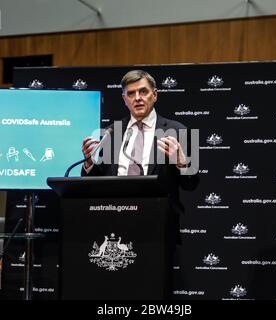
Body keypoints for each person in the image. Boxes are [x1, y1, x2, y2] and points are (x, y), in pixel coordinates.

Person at [81, 69, 199, 296]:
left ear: (155, 94)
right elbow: (92, 182)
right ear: (124, 99)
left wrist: (182, 163)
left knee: (153, 289)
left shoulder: (177, 130)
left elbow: (192, 184)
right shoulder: (110, 133)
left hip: (158, 225)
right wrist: (88, 164)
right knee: (115, 290)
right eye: (131, 93)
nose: (138, 98)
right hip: (112, 224)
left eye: (143, 91)